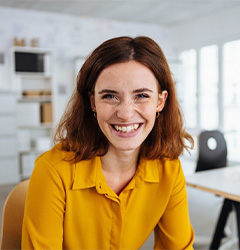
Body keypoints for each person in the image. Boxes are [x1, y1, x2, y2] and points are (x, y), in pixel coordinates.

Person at [22, 36, 195, 249]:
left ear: (160, 102)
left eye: (141, 95)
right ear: (93, 101)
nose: (125, 114)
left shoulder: (169, 168)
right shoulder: (53, 171)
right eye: (110, 96)